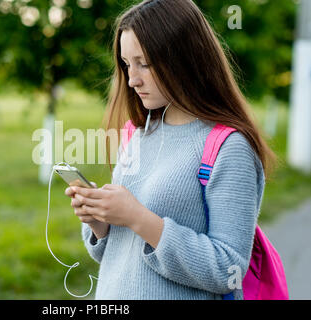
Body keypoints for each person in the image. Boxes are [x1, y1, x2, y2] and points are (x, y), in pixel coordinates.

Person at [64, 0, 276, 300]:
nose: (132, 79)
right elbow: (122, 258)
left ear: (185, 58)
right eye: (126, 65)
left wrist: (138, 217)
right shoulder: (137, 135)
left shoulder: (229, 148)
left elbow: (229, 270)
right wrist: (101, 223)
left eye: (144, 64)